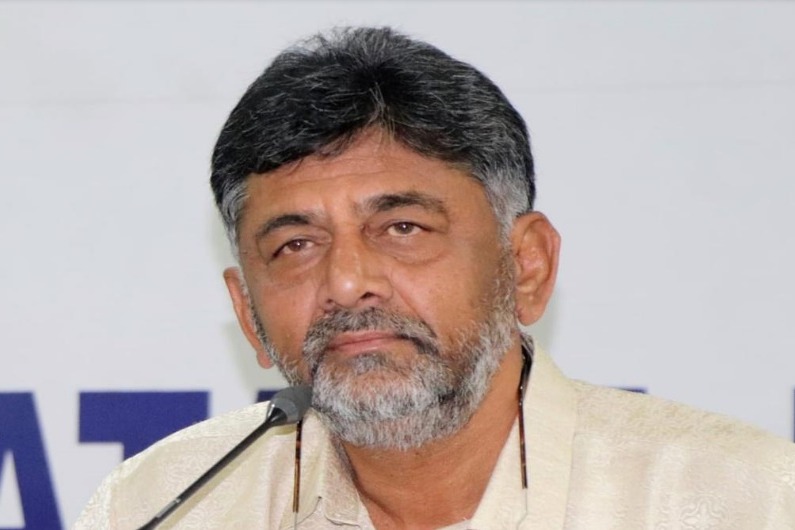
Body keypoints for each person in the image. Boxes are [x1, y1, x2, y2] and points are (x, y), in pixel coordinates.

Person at [75, 26, 795, 529]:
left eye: (402, 228)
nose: (347, 283)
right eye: (296, 245)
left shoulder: (744, 501)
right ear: (248, 313)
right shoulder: (162, 508)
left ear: (526, 265)